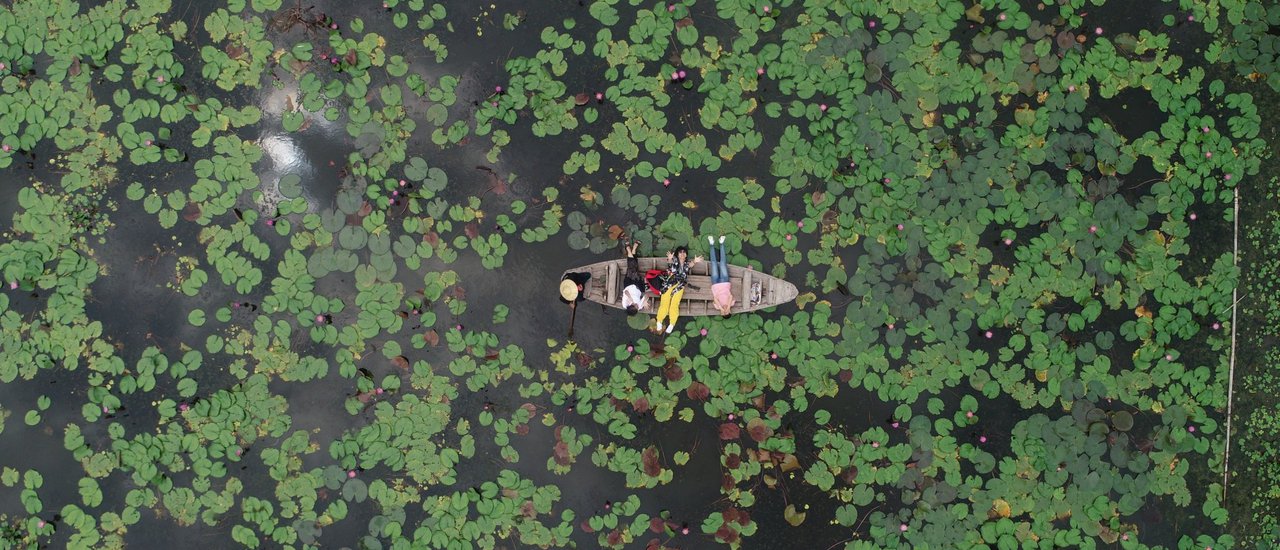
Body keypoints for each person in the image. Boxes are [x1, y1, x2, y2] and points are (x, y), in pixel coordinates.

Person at [655, 245, 701, 334]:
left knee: (675, 304)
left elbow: (691, 265)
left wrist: (695, 261)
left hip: (680, 285)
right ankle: (659, 320)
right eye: (680, 252)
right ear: (677, 254)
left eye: (684, 252)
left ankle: (672, 323)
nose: (682, 254)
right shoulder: (674, 261)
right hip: (669, 284)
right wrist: (669, 258)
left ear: (686, 255)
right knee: (665, 303)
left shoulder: (687, 264)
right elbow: (670, 261)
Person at [707, 235, 735, 317]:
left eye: (723, 313)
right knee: (723, 263)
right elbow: (730, 296)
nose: (725, 311)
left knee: (714, 264)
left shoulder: (717, 307)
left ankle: (711, 244)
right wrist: (728, 307)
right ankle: (721, 243)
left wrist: (721, 308)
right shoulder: (731, 304)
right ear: (730, 311)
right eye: (727, 312)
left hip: (715, 283)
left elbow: (715, 299)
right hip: (725, 282)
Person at [620, 240, 649, 315]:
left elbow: (626, 292)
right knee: (634, 267)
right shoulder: (639, 307)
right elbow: (646, 295)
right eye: (636, 307)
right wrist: (645, 301)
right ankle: (631, 249)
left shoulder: (625, 304)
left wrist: (631, 299)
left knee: (632, 267)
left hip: (629, 284)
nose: (636, 305)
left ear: (630, 306)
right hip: (638, 286)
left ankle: (630, 249)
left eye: (634, 305)